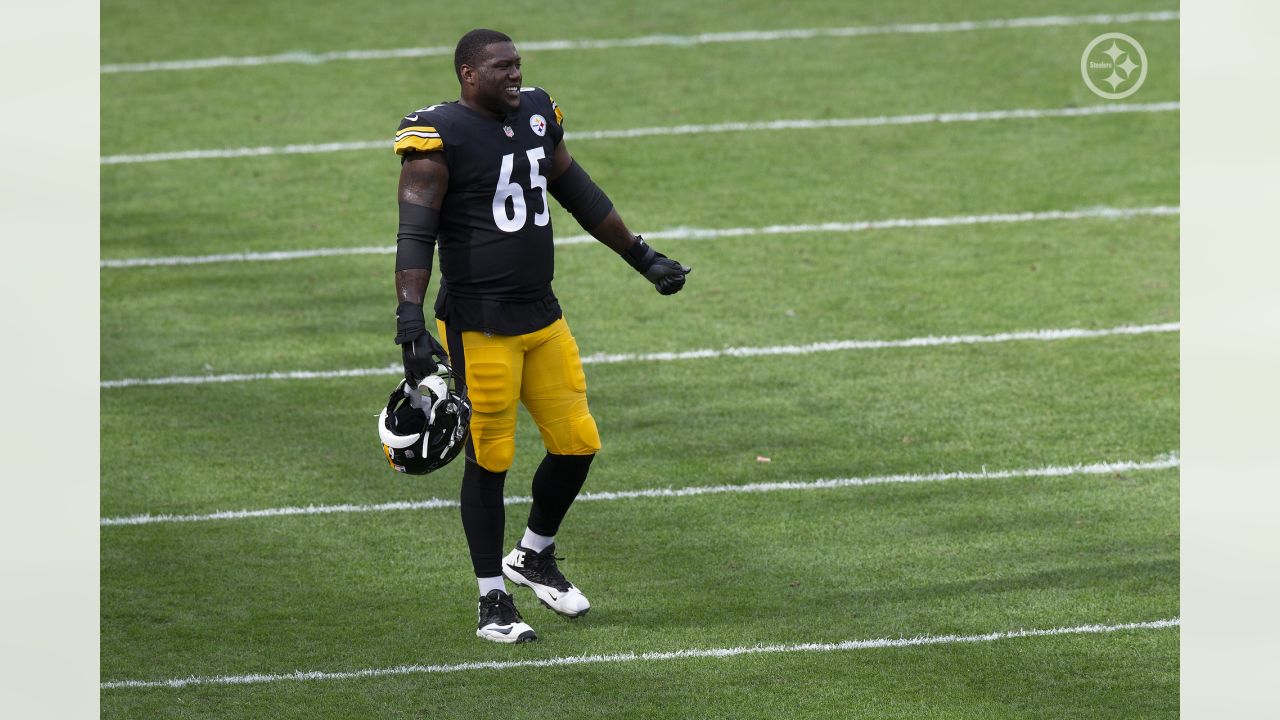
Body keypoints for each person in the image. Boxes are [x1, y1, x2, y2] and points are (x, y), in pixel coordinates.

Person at [391, 28, 691, 643]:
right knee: (491, 458)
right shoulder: (436, 136)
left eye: (517, 65)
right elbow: (416, 232)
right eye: (501, 67)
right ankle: (491, 602)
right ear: (469, 76)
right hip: (478, 323)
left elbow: (576, 191)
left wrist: (643, 256)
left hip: (542, 315)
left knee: (578, 442)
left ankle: (532, 555)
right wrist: (410, 321)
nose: (514, 75)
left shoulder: (535, 112)